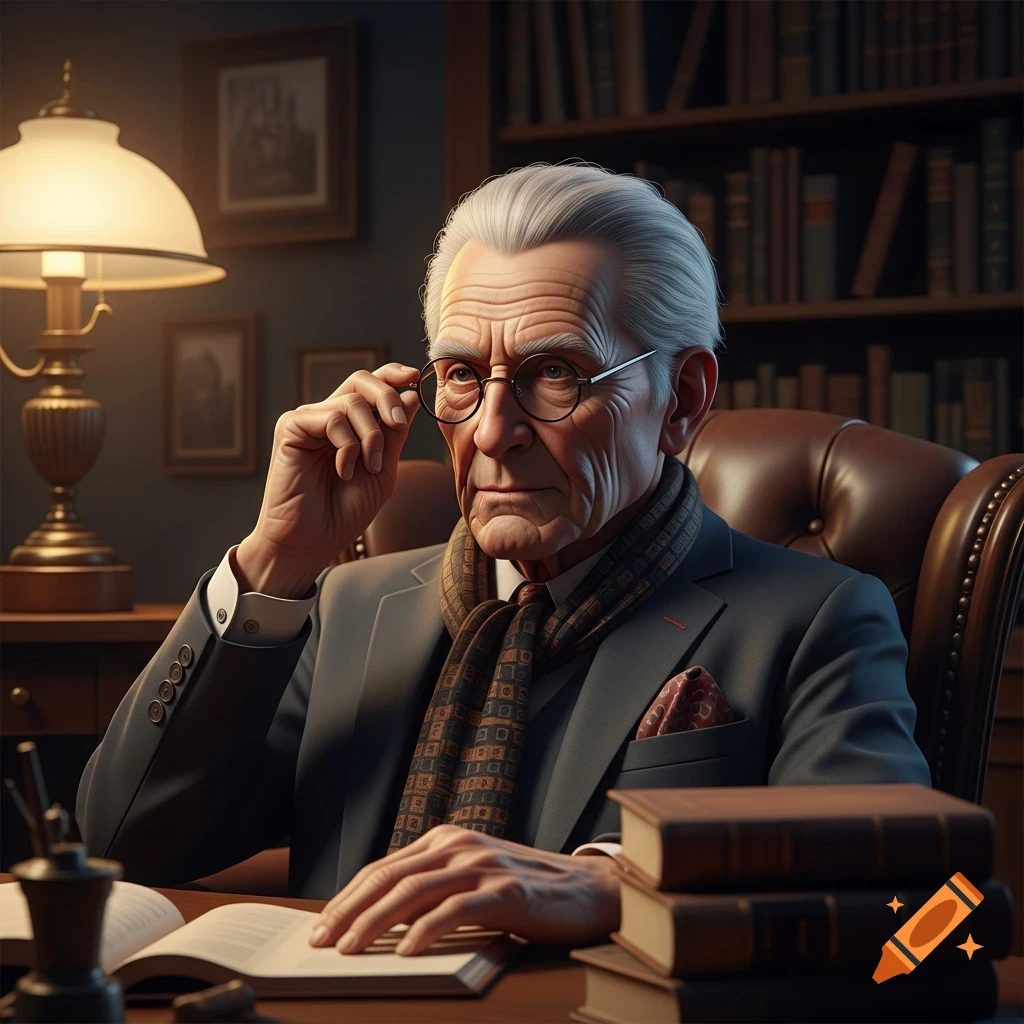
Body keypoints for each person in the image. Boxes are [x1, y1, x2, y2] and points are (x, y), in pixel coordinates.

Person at [77, 162, 931, 959]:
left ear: (683, 399)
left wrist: (617, 887)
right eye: (458, 375)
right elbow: (129, 838)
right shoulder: (344, 606)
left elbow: (919, 917)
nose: (491, 431)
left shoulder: (819, 618)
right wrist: (272, 562)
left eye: (555, 372)